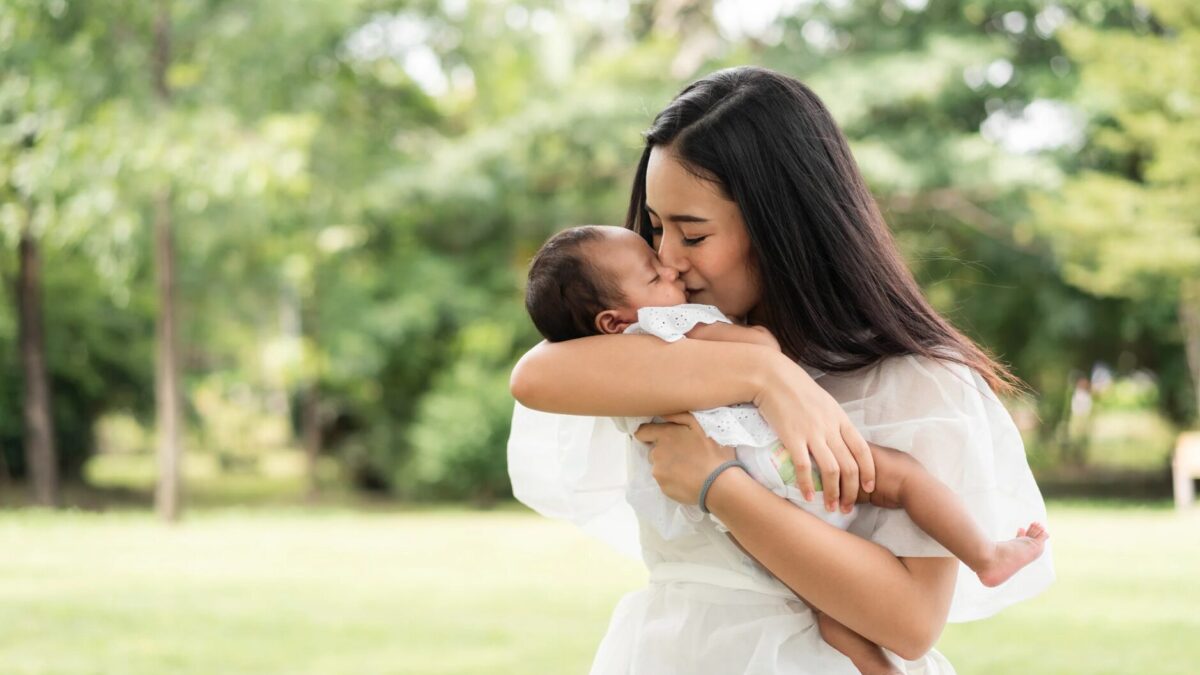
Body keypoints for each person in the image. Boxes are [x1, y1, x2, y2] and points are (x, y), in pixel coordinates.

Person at [508, 66, 1054, 674]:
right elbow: (534, 377)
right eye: (657, 229)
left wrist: (721, 486)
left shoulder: (912, 385)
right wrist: (766, 378)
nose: (666, 258)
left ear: (780, 228)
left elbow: (910, 622)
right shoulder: (663, 350)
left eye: (692, 233)